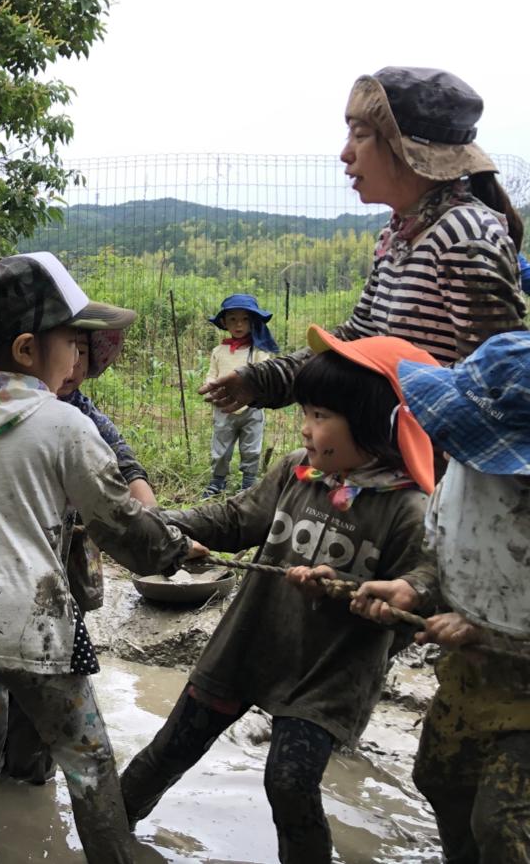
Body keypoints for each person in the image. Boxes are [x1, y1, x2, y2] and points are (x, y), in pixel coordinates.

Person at [0, 251, 206, 864]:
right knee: (89, 758)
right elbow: (127, 531)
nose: (79, 359)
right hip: (28, 624)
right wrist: (179, 547)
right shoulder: (63, 425)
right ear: (28, 350)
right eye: (72, 344)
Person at [119, 326, 440, 864]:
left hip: (329, 673)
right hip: (250, 642)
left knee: (288, 784)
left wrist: (383, 594)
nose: (307, 428)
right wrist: (160, 524)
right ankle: (106, 836)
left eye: (321, 416)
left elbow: (427, 589)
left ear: (375, 423)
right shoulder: (297, 470)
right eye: (306, 413)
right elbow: (235, 517)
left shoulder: (409, 510)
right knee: (169, 749)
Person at [202, 67, 525, 414]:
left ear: (408, 148)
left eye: (360, 135)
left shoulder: (463, 236)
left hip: (433, 460)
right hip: (391, 447)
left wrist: (371, 407)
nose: (346, 153)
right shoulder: (398, 235)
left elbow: (495, 387)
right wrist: (262, 380)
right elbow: (359, 336)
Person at [350, 331, 530, 864]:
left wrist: (488, 634)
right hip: (471, 677)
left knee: (503, 821)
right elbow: (449, 550)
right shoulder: (463, 476)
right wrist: (417, 588)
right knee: (439, 778)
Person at [0, 323, 159, 785]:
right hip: (17, 566)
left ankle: (30, 772)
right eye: (68, 349)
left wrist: (156, 521)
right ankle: (7, 762)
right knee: (3, 681)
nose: (73, 364)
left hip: (66, 572)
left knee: (54, 674)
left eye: (84, 353)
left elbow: (127, 466)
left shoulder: (86, 416)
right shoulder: (9, 408)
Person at [201, 294, 278, 497]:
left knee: (251, 448)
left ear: (253, 322)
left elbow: (266, 371)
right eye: (233, 319)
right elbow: (212, 374)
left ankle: (248, 484)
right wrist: (209, 385)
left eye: (245, 319)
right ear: (224, 322)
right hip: (224, 407)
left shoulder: (259, 351)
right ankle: (217, 482)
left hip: (252, 407)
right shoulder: (219, 351)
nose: (239, 325)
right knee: (221, 447)